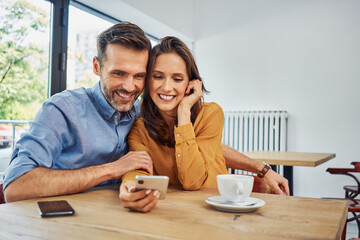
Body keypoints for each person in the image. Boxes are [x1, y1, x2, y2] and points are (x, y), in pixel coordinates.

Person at [3, 22, 288, 203]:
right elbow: (15, 186)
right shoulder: (61, 110)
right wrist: (113, 169)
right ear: (96, 67)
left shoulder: (138, 111)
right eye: (118, 73)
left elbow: (203, 145)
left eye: (139, 75)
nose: (129, 86)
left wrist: (261, 169)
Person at [119, 37, 288, 213]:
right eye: (158, 76)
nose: (167, 87)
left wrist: (184, 111)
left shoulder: (210, 114)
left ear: (190, 83)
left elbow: (192, 181)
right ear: (147, 81)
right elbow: (139, 169)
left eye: (177, 79)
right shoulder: (139, 128)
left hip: (220, 208)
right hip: (175, 211)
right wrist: (130, 183)